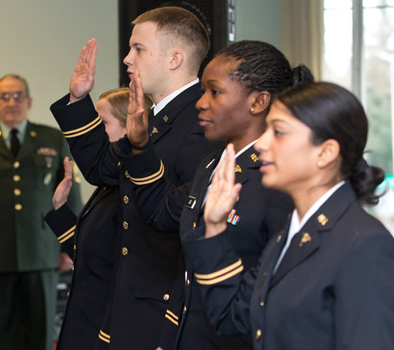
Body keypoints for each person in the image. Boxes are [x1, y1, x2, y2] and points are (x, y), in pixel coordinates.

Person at [50, 7, 222, 349]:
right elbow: (102, 168)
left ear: (175, 58)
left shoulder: (198, 123)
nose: (128, 59)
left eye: (138, 49)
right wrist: (79, 99)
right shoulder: (154, 119)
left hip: (159, 310)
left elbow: (179, 220)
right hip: (126, 304)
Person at [122, 41, 312, 349]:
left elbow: (278, 295)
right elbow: (162, 214)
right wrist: (140, 147)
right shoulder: (213, 163)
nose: (200, 102)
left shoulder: (279, 180)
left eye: (215, 91)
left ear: (258, 101)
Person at [183, 82, 394, 349]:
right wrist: (213, 226)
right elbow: (231, 317)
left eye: (279, 132)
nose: (263, 144)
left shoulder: (365, 245)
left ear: (326, 152)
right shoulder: (290, 233)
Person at [0, 74, 83, 350]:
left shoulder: (53, 138)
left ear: (29, 101)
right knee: (0, 335)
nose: (12, 103)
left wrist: (69, 246)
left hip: (43, 250)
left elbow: (72, 195)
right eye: (5, 97)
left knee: (43, 334)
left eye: (18, 96)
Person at [44, 88, 153, 350]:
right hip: (87, 317)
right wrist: (60, 210)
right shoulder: (111, 183)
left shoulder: (132, 187)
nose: (93, 131)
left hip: (105, 325)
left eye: (101, 123)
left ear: (130, 127)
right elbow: (93, 254)